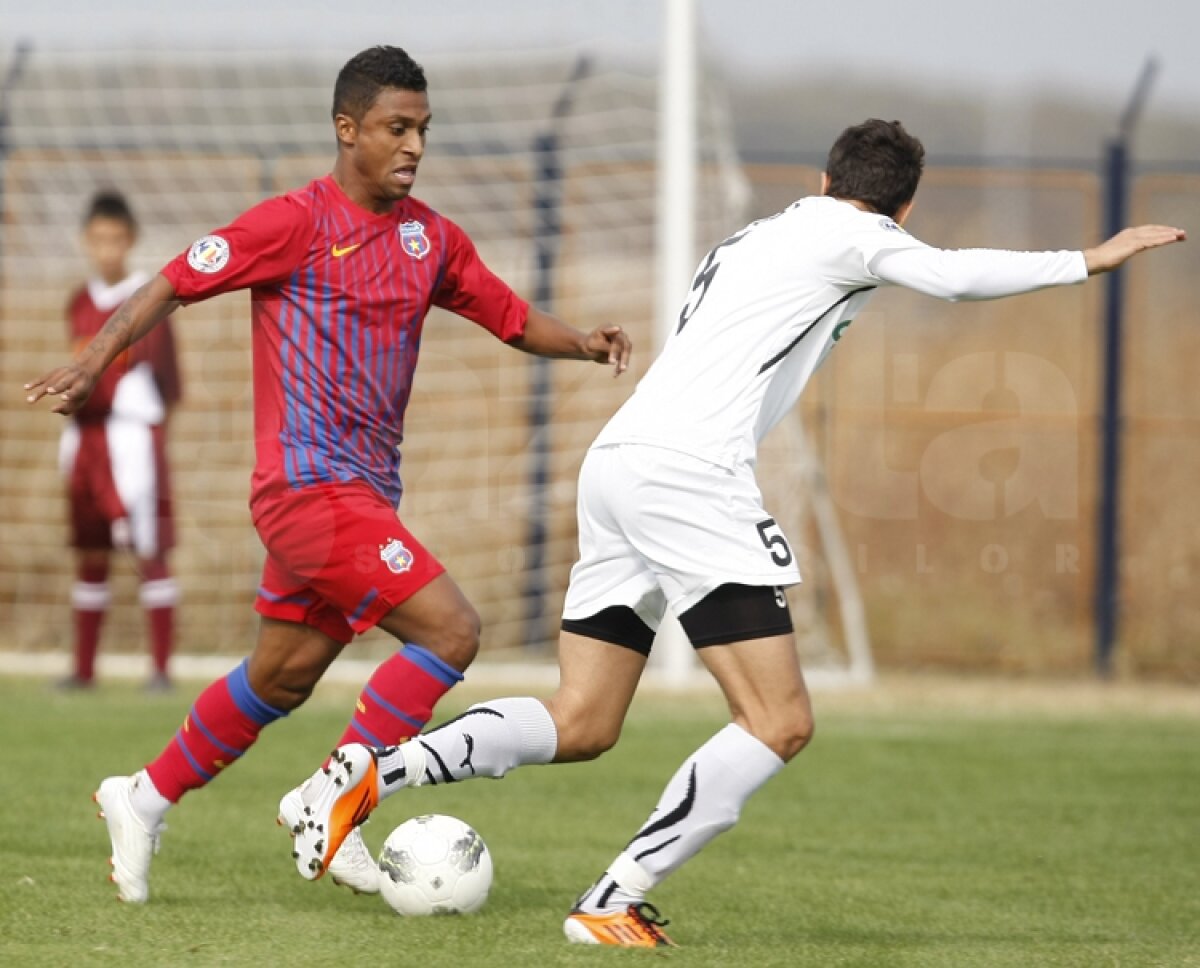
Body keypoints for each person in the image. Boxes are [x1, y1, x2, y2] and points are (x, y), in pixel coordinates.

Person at [282, 119, 1186, 947]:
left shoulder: (756, 235)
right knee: (779, 719)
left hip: (621, 461)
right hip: (688, 478)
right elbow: (950, 276)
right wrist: (1090, 259)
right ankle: (612, 900)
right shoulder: (854, 233)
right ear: (900, 205)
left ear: (823, 174)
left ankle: (371, 774)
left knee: (584, 718)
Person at [24, 45, 631, 905]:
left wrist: (584, 340)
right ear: (348, 131)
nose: (413, 145)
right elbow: (170, 282)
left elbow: (508, 314)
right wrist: (92, 363)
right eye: (396, 128)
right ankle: (330, 798)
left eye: (422, 128)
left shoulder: (431, 239)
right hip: (305, 493)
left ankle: (143, 795)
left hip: (364, 496)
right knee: (452, 632)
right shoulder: (292, 223)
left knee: (281, 677)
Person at [58, 191, 183, 691]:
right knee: (91, 551)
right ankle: (83, 670)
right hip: (85, 440)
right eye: (99, 239)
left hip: (132, 442)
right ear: (87, 241)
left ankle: (160, 670)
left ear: (130, 241)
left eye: (117, 239)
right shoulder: (78, 302)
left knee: (147, 548)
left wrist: (150, 441)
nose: (107, 249)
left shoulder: (148, 300)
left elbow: (169, 387)